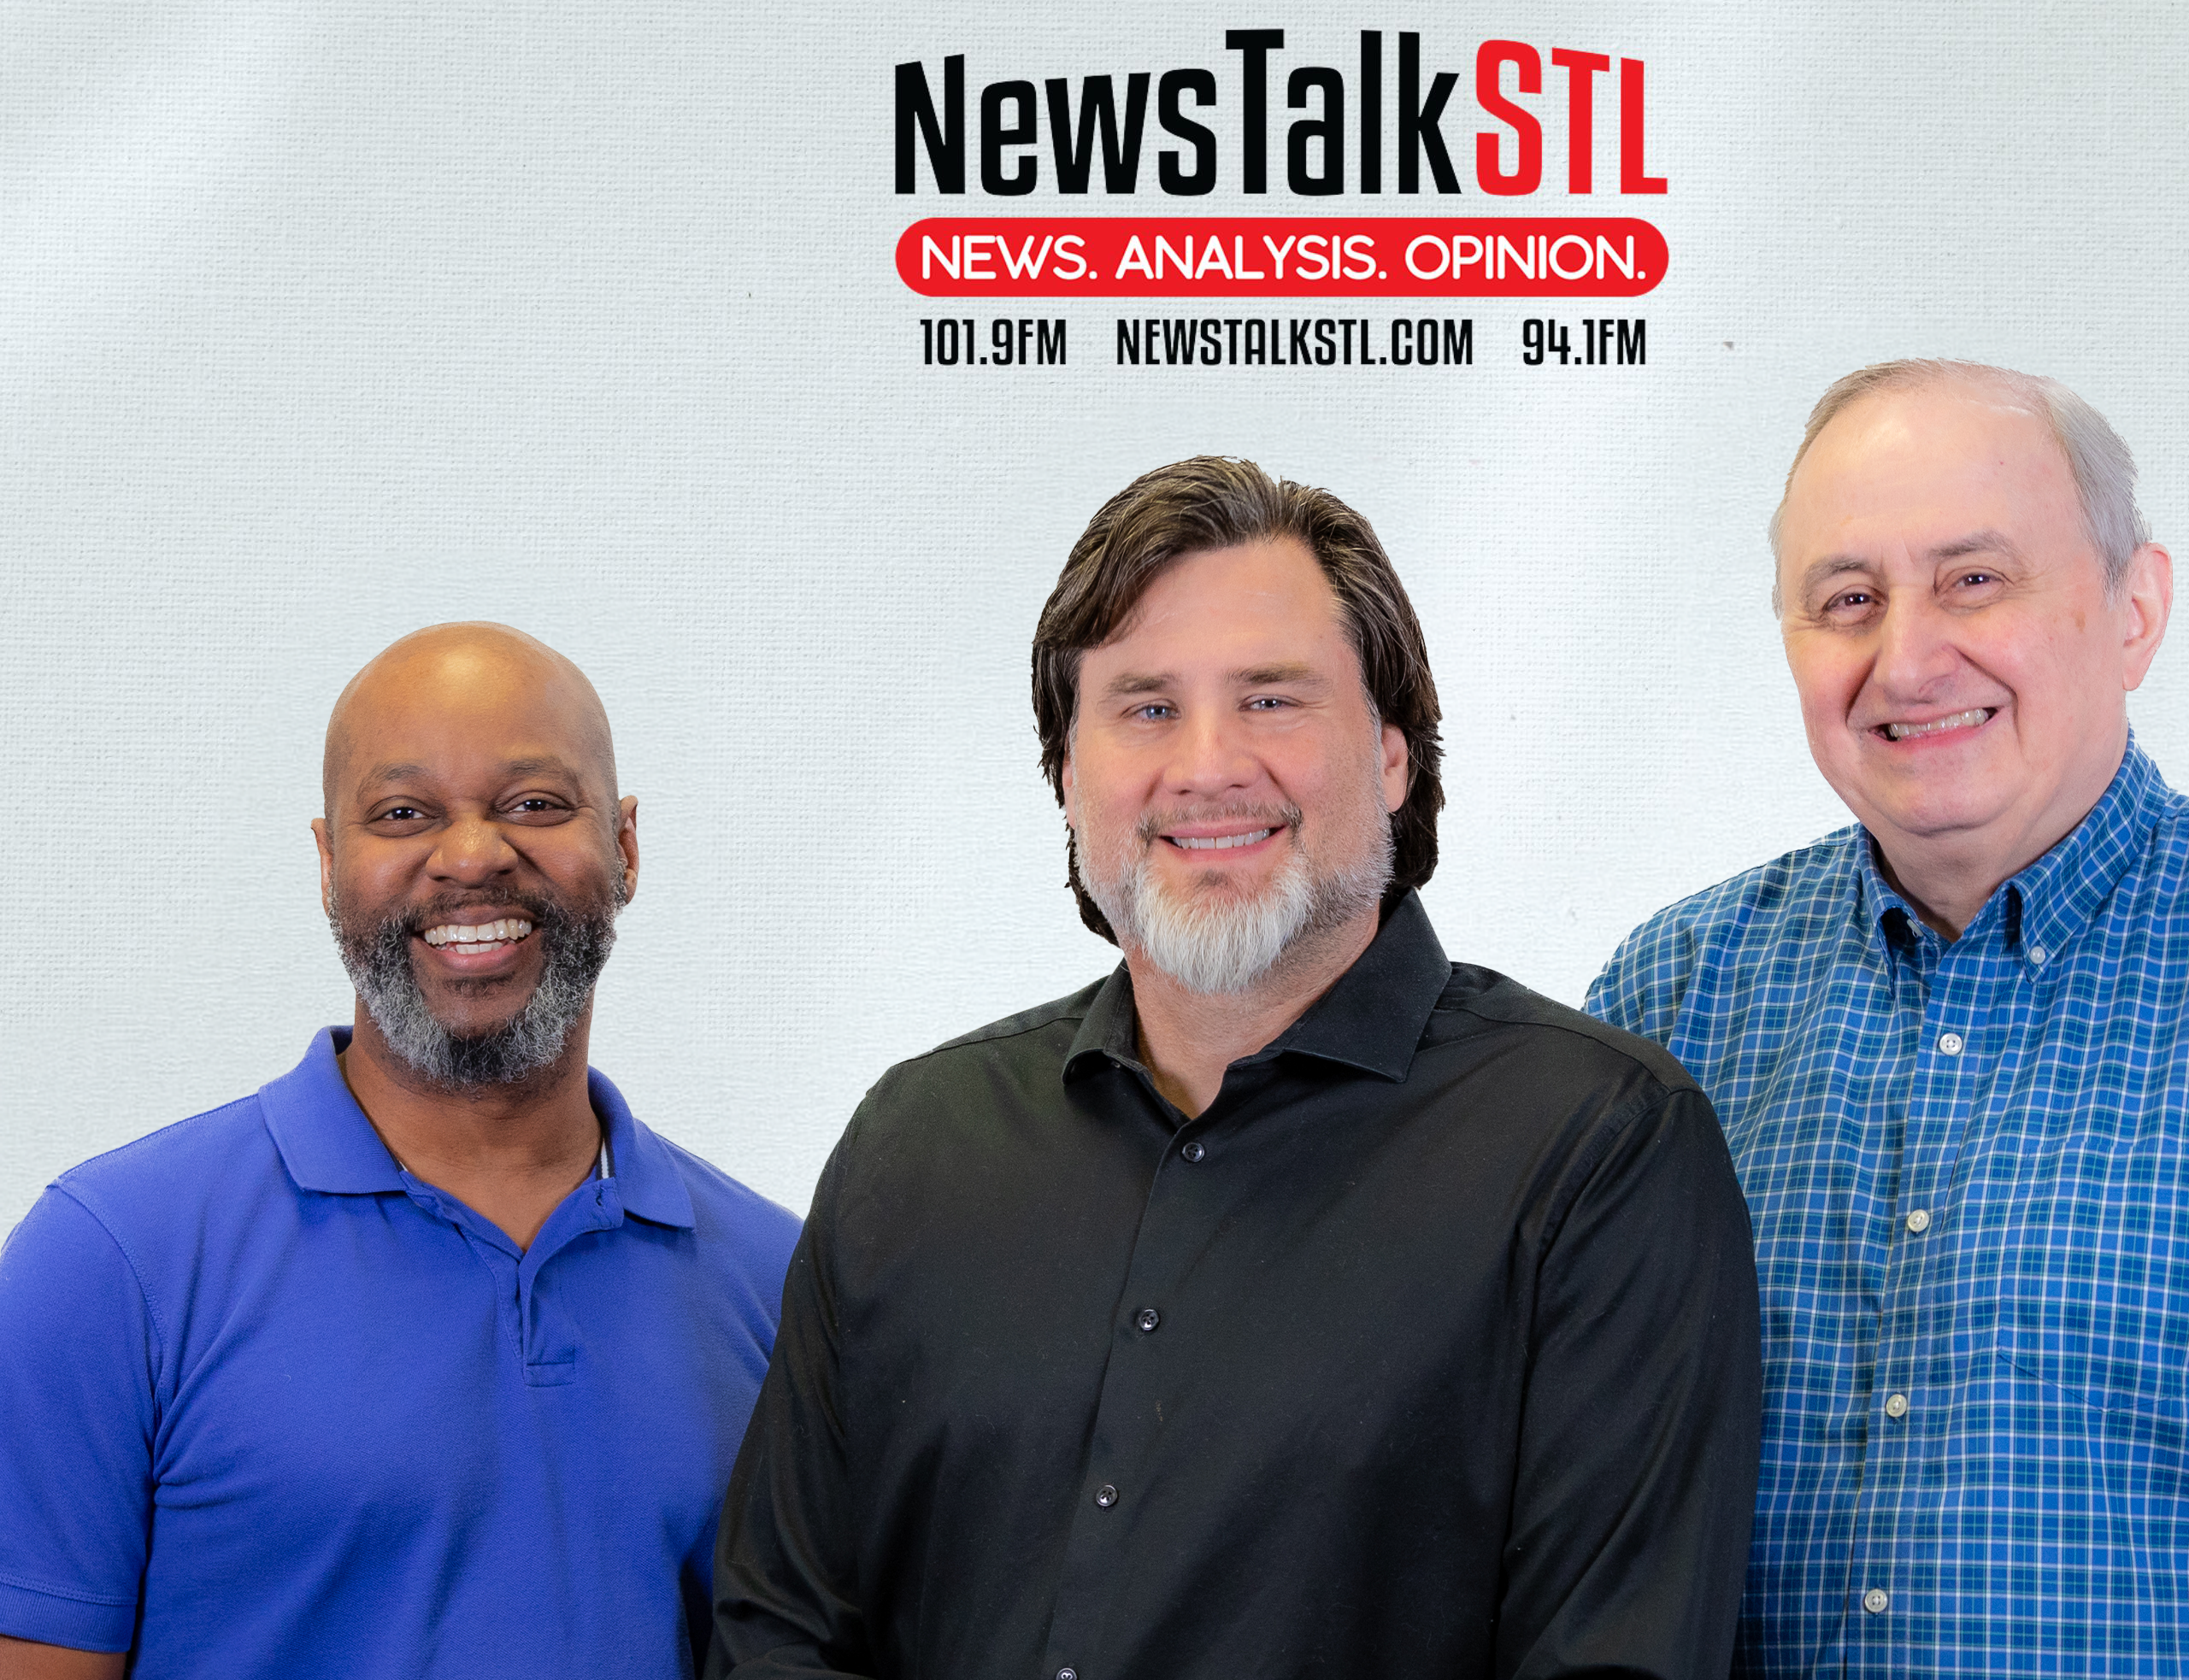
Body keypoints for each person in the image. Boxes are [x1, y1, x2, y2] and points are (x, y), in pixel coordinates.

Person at [1588, 359, 2189, 1677]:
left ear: (2134, 611)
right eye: (1849, 598)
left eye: (1975, 579)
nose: (1911, 656)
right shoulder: (1675, 998)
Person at [711, 455, 1760, 1680]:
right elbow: (780, 1634)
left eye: (1271, 700)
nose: (1206, 766)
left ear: (1392, 757)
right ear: (1065, 775)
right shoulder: (916, 1143)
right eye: (1146, 707)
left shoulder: (1598, 1149)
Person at [0, 623, 801, 1680]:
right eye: (404, 814)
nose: (472, 855)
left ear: (627, 846)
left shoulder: (778, 1282)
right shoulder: (110, 1264)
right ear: (331, 864)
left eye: (534, 804)